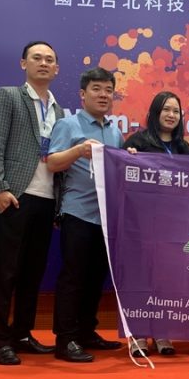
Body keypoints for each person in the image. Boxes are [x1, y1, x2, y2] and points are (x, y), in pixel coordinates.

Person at [0, 41, 64, 365]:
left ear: (56, 68)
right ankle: (0, 340)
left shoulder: (58, 110)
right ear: (23, 64)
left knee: (33, 272)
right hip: (14, 196)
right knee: (6, 272)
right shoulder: (8, 96)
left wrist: (58, 204)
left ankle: (22, 333)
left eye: (49, 60)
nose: (43, 63)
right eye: (37, 58)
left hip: (46, 200)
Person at [47, 67, 124, 363]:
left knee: (95, 278)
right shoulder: (68, 125)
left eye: (108, 90)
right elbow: (52, 162)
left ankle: (86, 332)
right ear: (83, 94)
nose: (103, 95)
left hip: (105, 217)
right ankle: (65, 339)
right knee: (74, 277)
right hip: (77, 212)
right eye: (97, 89)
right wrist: (79, 150)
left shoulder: (115, 132)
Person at [123, 91, 189, 357]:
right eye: (166, 110)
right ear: (155, 112)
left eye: (176, 111)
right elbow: (122, 180)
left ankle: (162, 331)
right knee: (139, 277)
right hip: (140, 224)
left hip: (173, 225)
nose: (171, 115)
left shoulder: (184, 148)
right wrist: (127, 158)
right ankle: (138, 334)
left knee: (166, 278)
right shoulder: (137, 142)